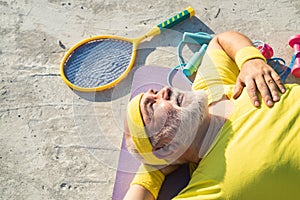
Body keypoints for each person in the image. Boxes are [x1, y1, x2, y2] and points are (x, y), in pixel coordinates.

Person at [123, 30, 300, 200]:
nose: (165, 91)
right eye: (152, 106)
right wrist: (151, 172)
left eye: (155, 92)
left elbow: (221, 41)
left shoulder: (210, 91)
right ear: (167, 146)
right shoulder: (210, 187)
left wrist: (250, 60)